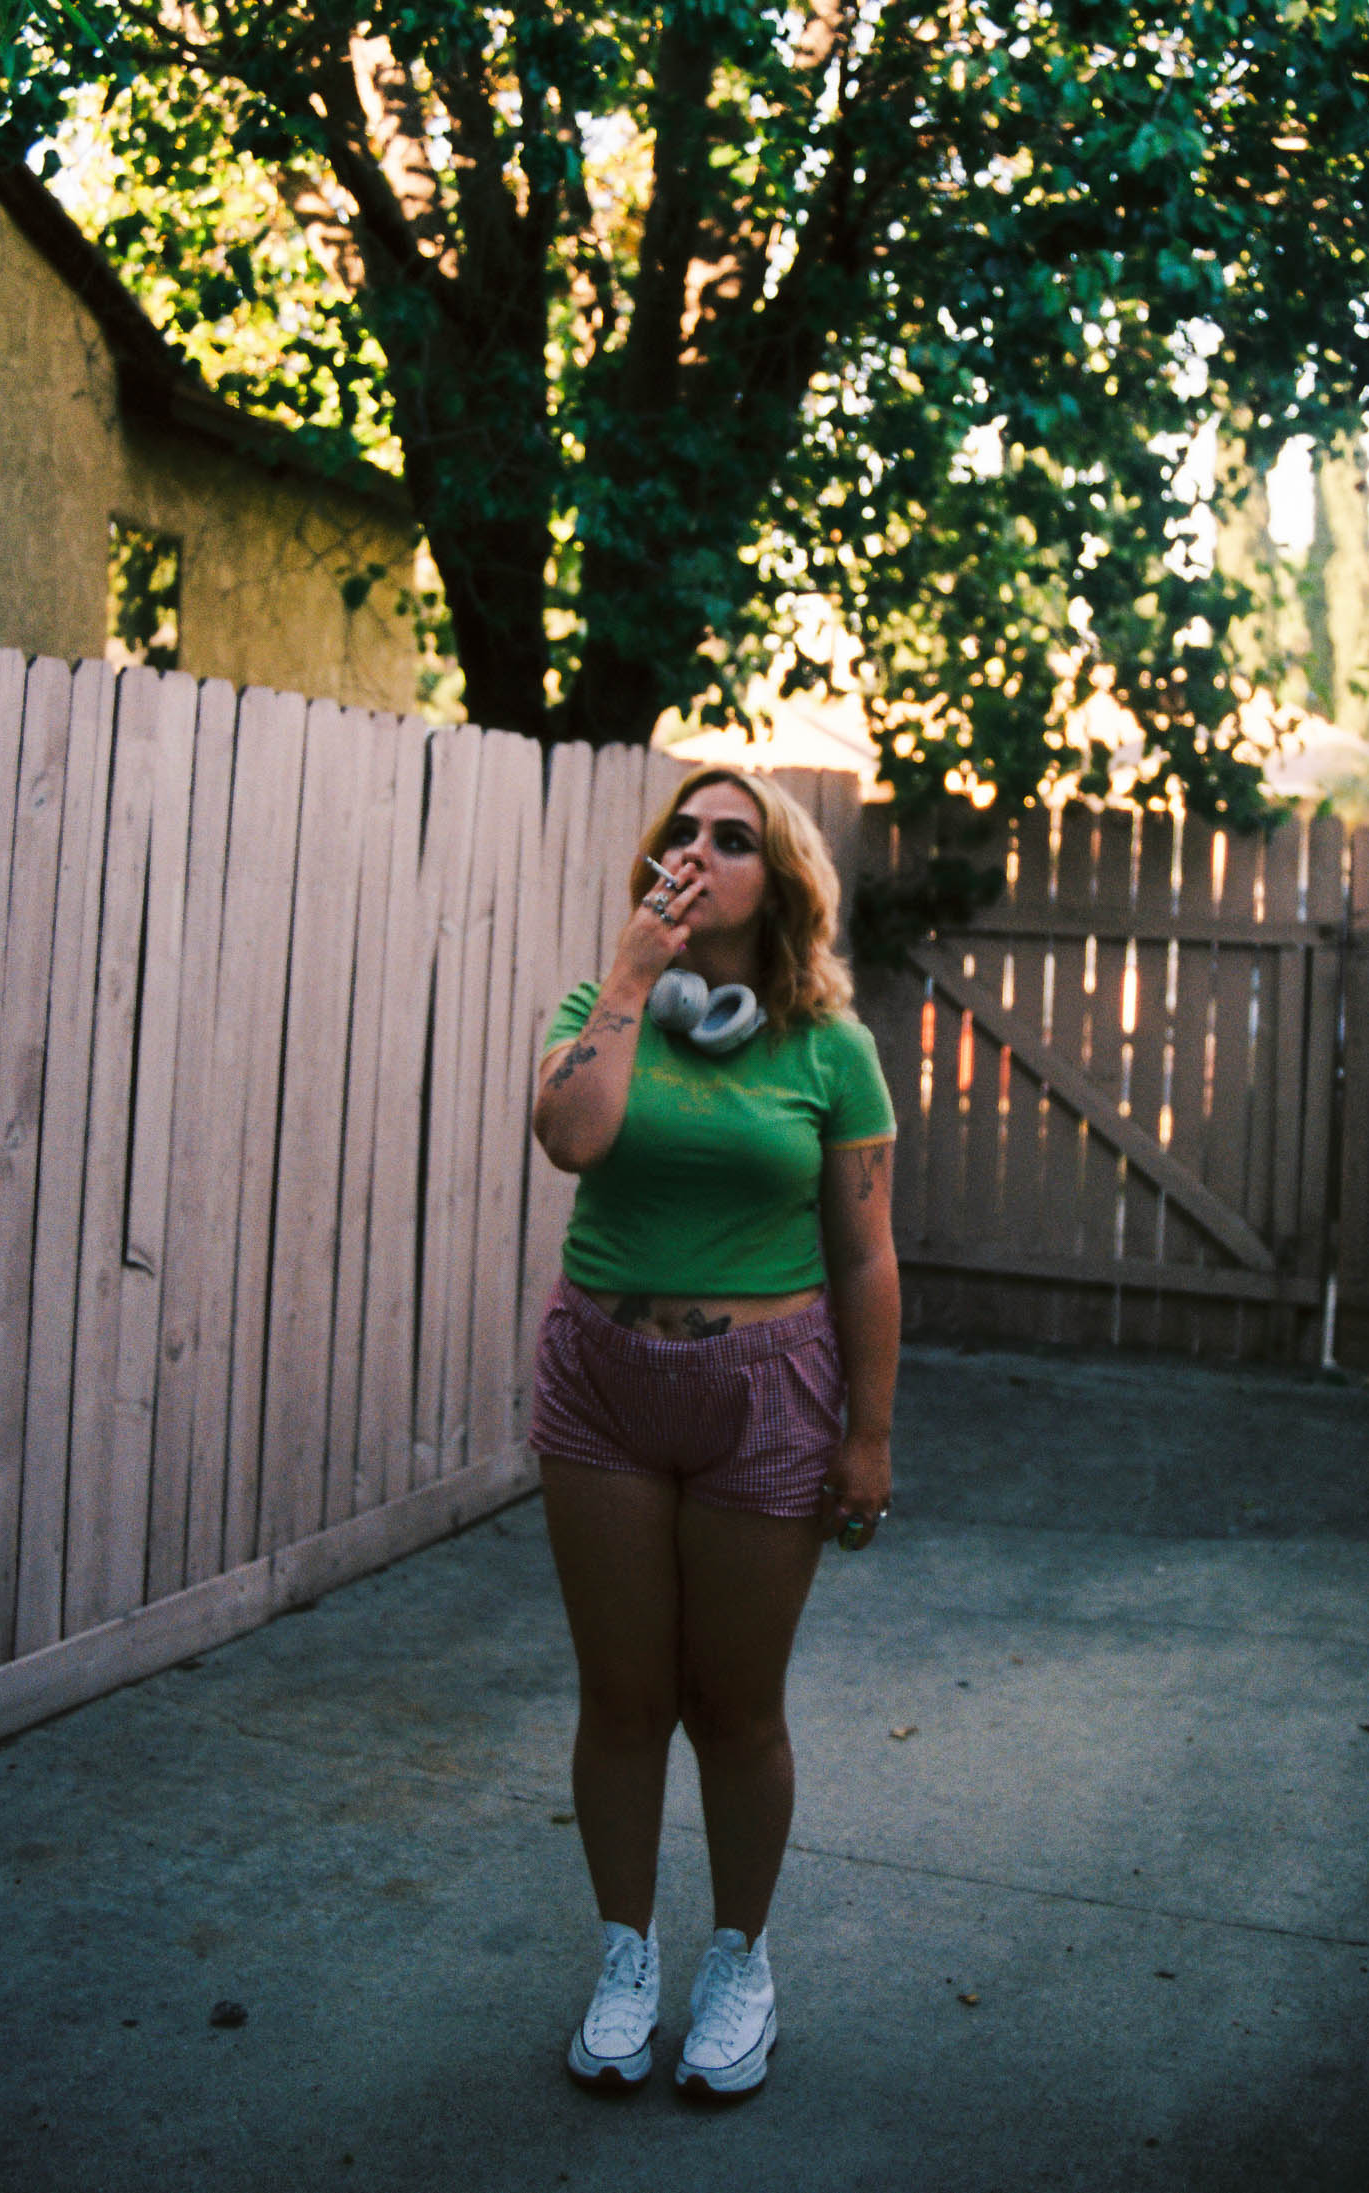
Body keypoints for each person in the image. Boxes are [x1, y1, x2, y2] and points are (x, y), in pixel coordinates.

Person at [529, 764, 899, 2100]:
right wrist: (632, 975)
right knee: (624, 1700)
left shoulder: (831, 1050)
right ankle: (625, 1959)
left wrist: (868, 1433)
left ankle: (740, 1961)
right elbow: (571, 1140)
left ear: (779, 883)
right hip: (601, 1386)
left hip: (766, 1394)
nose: (695, 851)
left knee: (733, 1709)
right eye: (679, 833)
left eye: (731, 838)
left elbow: (865, 1254)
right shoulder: (600, 1006)